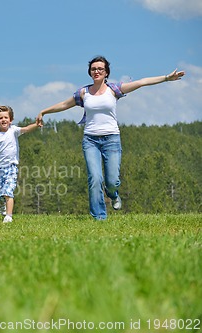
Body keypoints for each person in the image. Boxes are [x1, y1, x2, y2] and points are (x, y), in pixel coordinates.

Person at [35, 55, 185, 220]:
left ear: (106, 72)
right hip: (90, 140)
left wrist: (166, 78)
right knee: (95, 178)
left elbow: (142, 82)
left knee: (112, 181)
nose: (97, 71)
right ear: (90, 72)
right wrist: (44, 111)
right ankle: (99, 217)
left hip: (111, 139)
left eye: (100, 68)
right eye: (93, 69)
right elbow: (64, 104)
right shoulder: (83, 93)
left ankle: (113, 194)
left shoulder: (114, 89)